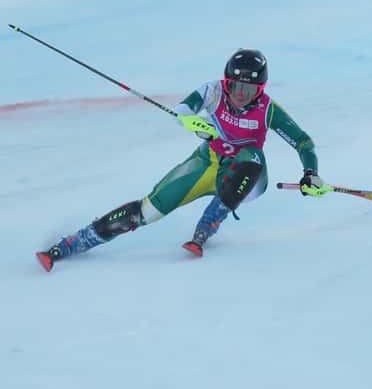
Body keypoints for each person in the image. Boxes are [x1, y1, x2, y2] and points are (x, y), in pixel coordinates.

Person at [36, 49, 331, 272]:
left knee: (251, 158)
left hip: (247, 175)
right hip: (207, 162)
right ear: (227, 82)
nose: (241, 95)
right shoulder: (213, 90)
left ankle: (213, 218)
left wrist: (310, 174)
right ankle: (74, 243)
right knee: (148, 211)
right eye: (236, 86)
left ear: (261, 90)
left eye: (250, 89)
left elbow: (303, 141)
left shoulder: (268, 109)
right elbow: (182, 109)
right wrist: (193, 122)